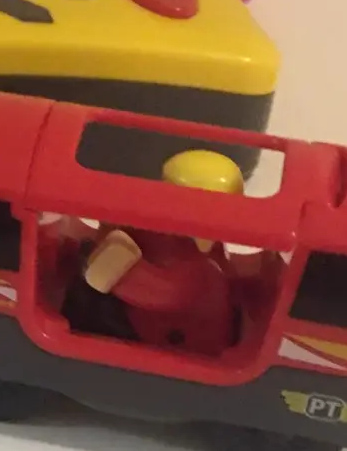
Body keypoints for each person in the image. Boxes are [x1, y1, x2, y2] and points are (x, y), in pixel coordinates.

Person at [81, 149, 243, 356]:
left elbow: (166, 292)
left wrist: (121, 273)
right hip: (145, 311)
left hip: (161, 335)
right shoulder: (178, 237)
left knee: (87, 311)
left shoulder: (203, 270)